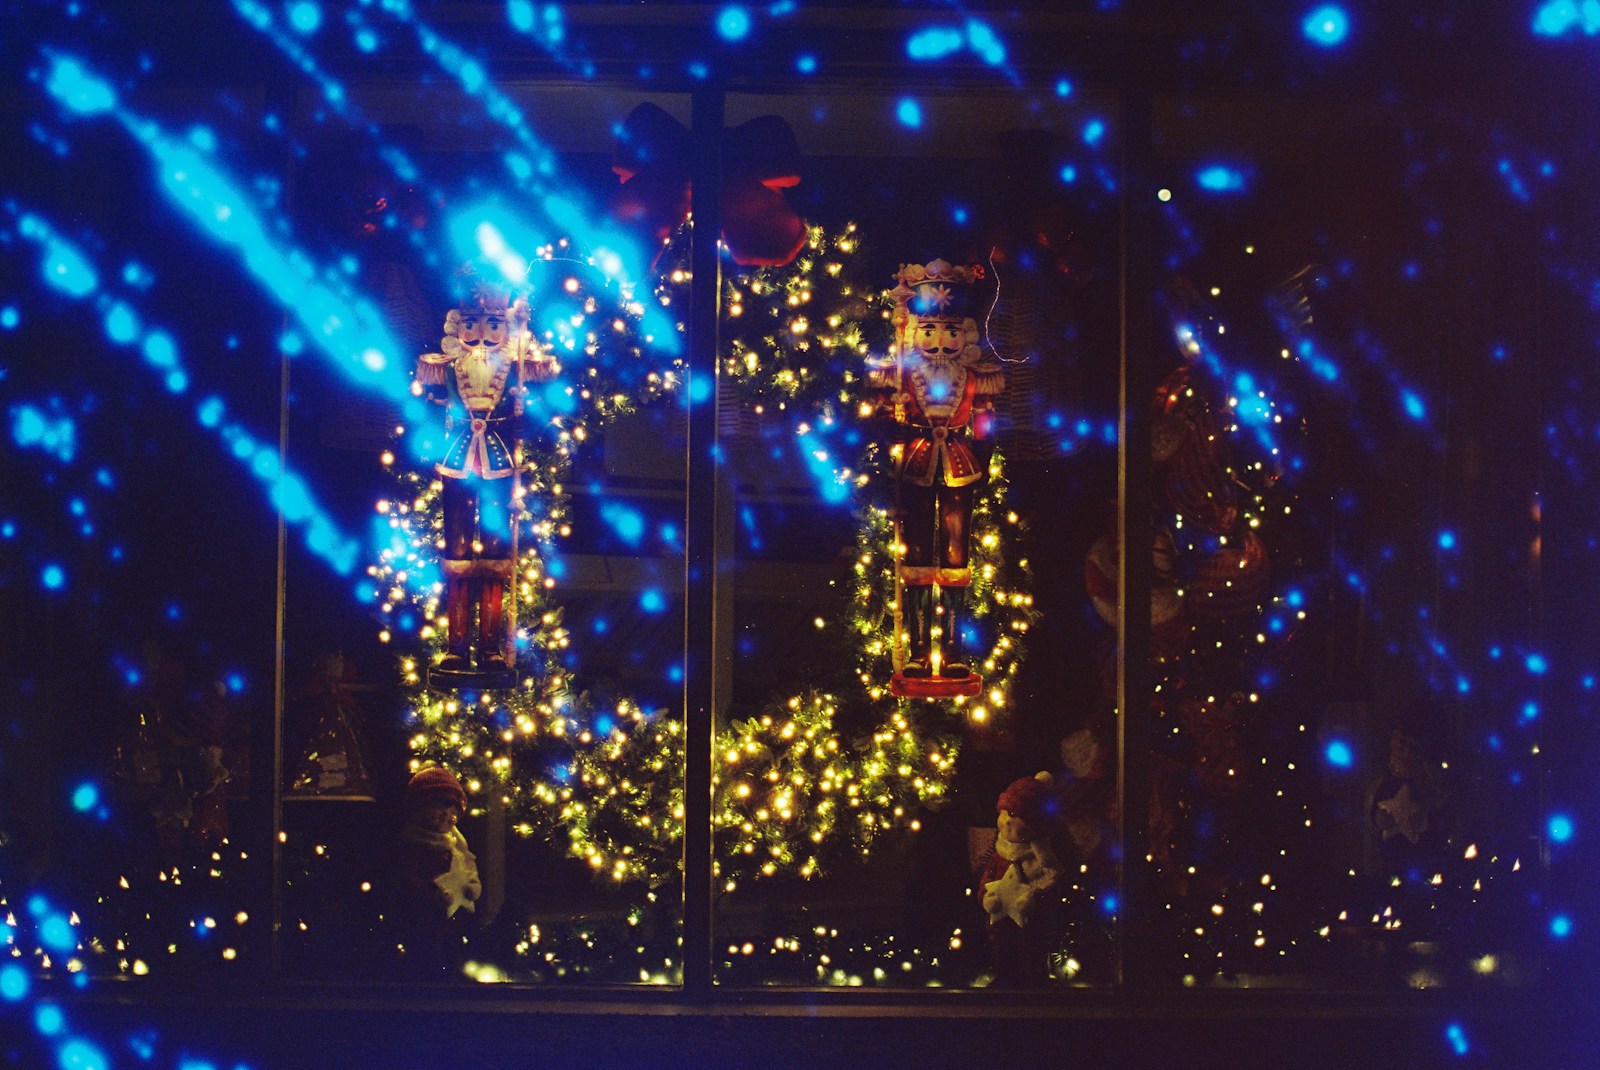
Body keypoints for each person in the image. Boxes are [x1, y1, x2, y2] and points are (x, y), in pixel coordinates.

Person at [869, 259, 1005, 692]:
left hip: (960, 467)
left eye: (948, 330)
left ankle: (952, 653)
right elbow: (880, 415)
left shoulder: (974, 376)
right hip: (915, 462)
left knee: (956, 557)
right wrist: (886, 419)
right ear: (915, 333)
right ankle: (914, 653)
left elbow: (985, 423)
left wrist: (984, 440)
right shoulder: (902, 376)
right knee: (915, 557)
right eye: (928, 331)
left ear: (961, 334)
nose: (939, 342)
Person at [416, 276, 556, 683]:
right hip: (457, 462)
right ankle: (457, 646)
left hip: (498, 465)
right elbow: (427, 406)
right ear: (458, 326)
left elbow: (536, 405)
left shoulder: (516, 369)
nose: (482, 334)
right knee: (457, 556)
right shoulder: (444, 367)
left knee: (497, 558)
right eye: (474, 323)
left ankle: (491, 649)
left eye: (494, 323)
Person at [396, 766, 481, 977]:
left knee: (453, 954)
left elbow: (466, 867)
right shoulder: (414, 843)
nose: (447, 815)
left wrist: (472, 886)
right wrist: (430, 893)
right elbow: (409, 876)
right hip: (422, 917)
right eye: (439, 807)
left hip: (454, 917)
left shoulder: (456, 845)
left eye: (453, 810)